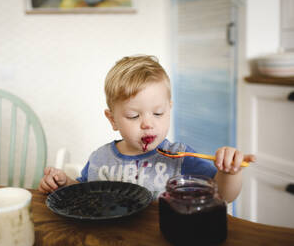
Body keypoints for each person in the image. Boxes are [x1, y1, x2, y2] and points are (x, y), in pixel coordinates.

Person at [38, 55, 256, 202]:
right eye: (134, 115)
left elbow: (222, 196)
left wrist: (229, 173)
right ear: (112, 119)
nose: (148, 123)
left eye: (158, 113)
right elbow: (82, 191)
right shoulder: (100, 158)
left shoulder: (180, 157)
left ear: (169, 109)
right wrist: (63, 183)